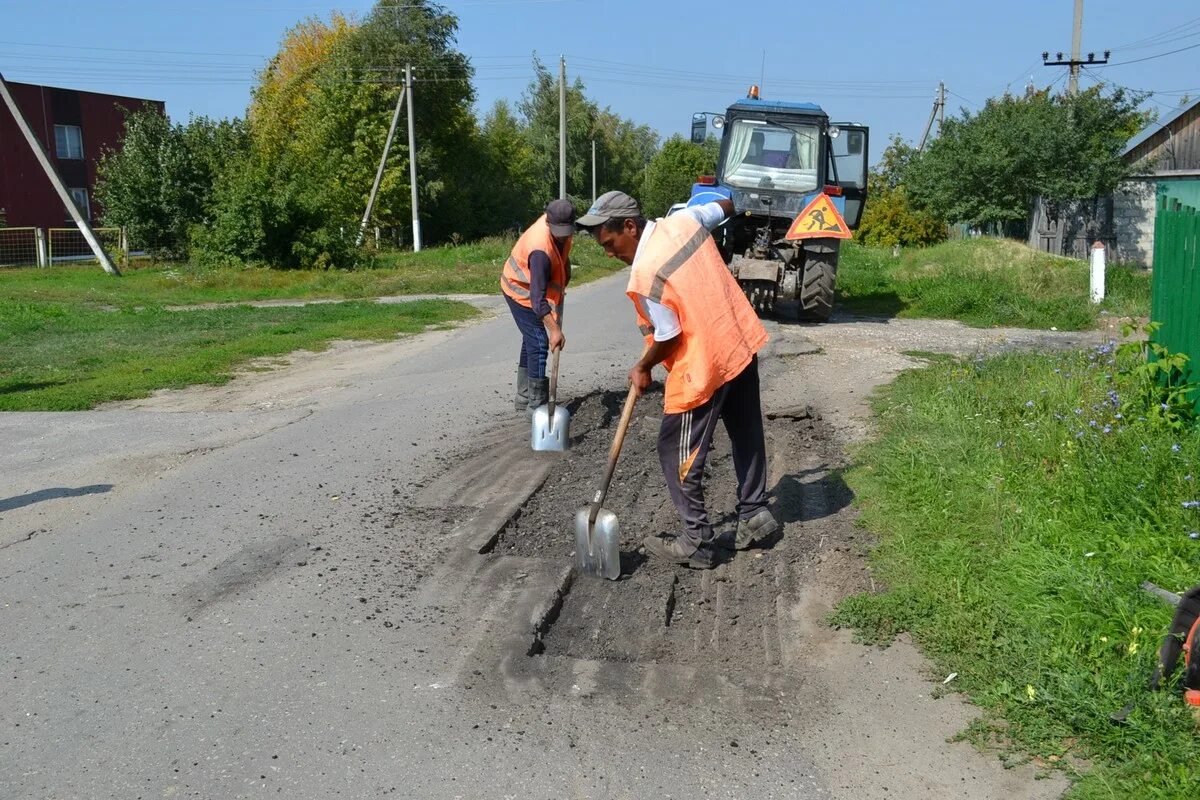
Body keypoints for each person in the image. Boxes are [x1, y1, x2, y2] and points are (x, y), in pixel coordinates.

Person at [577, 190, 779, 569]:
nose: (608, 253)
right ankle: (754, 513)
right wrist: (722, 203)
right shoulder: (686, 220)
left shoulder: (647, 271)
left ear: (630, 227)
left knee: (676, 450)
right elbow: (726, 205)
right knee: (745, 431)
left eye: (609, 242)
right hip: (737, 343)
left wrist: (643, 366)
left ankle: (696, 541)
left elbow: (669, 336)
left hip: (702, 365)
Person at [501, 199, 576, 415]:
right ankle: (537, 406)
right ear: (548, 222)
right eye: (558, 231)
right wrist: (555, 330)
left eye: (566, 231)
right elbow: (537, 300)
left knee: (531, 340)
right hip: (519, 291)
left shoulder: (563, 231)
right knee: (540, 342)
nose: (562, 235)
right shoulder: (539, 249)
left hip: (533, 291)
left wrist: (564, 279)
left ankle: (523, 397)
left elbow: (562, 256)